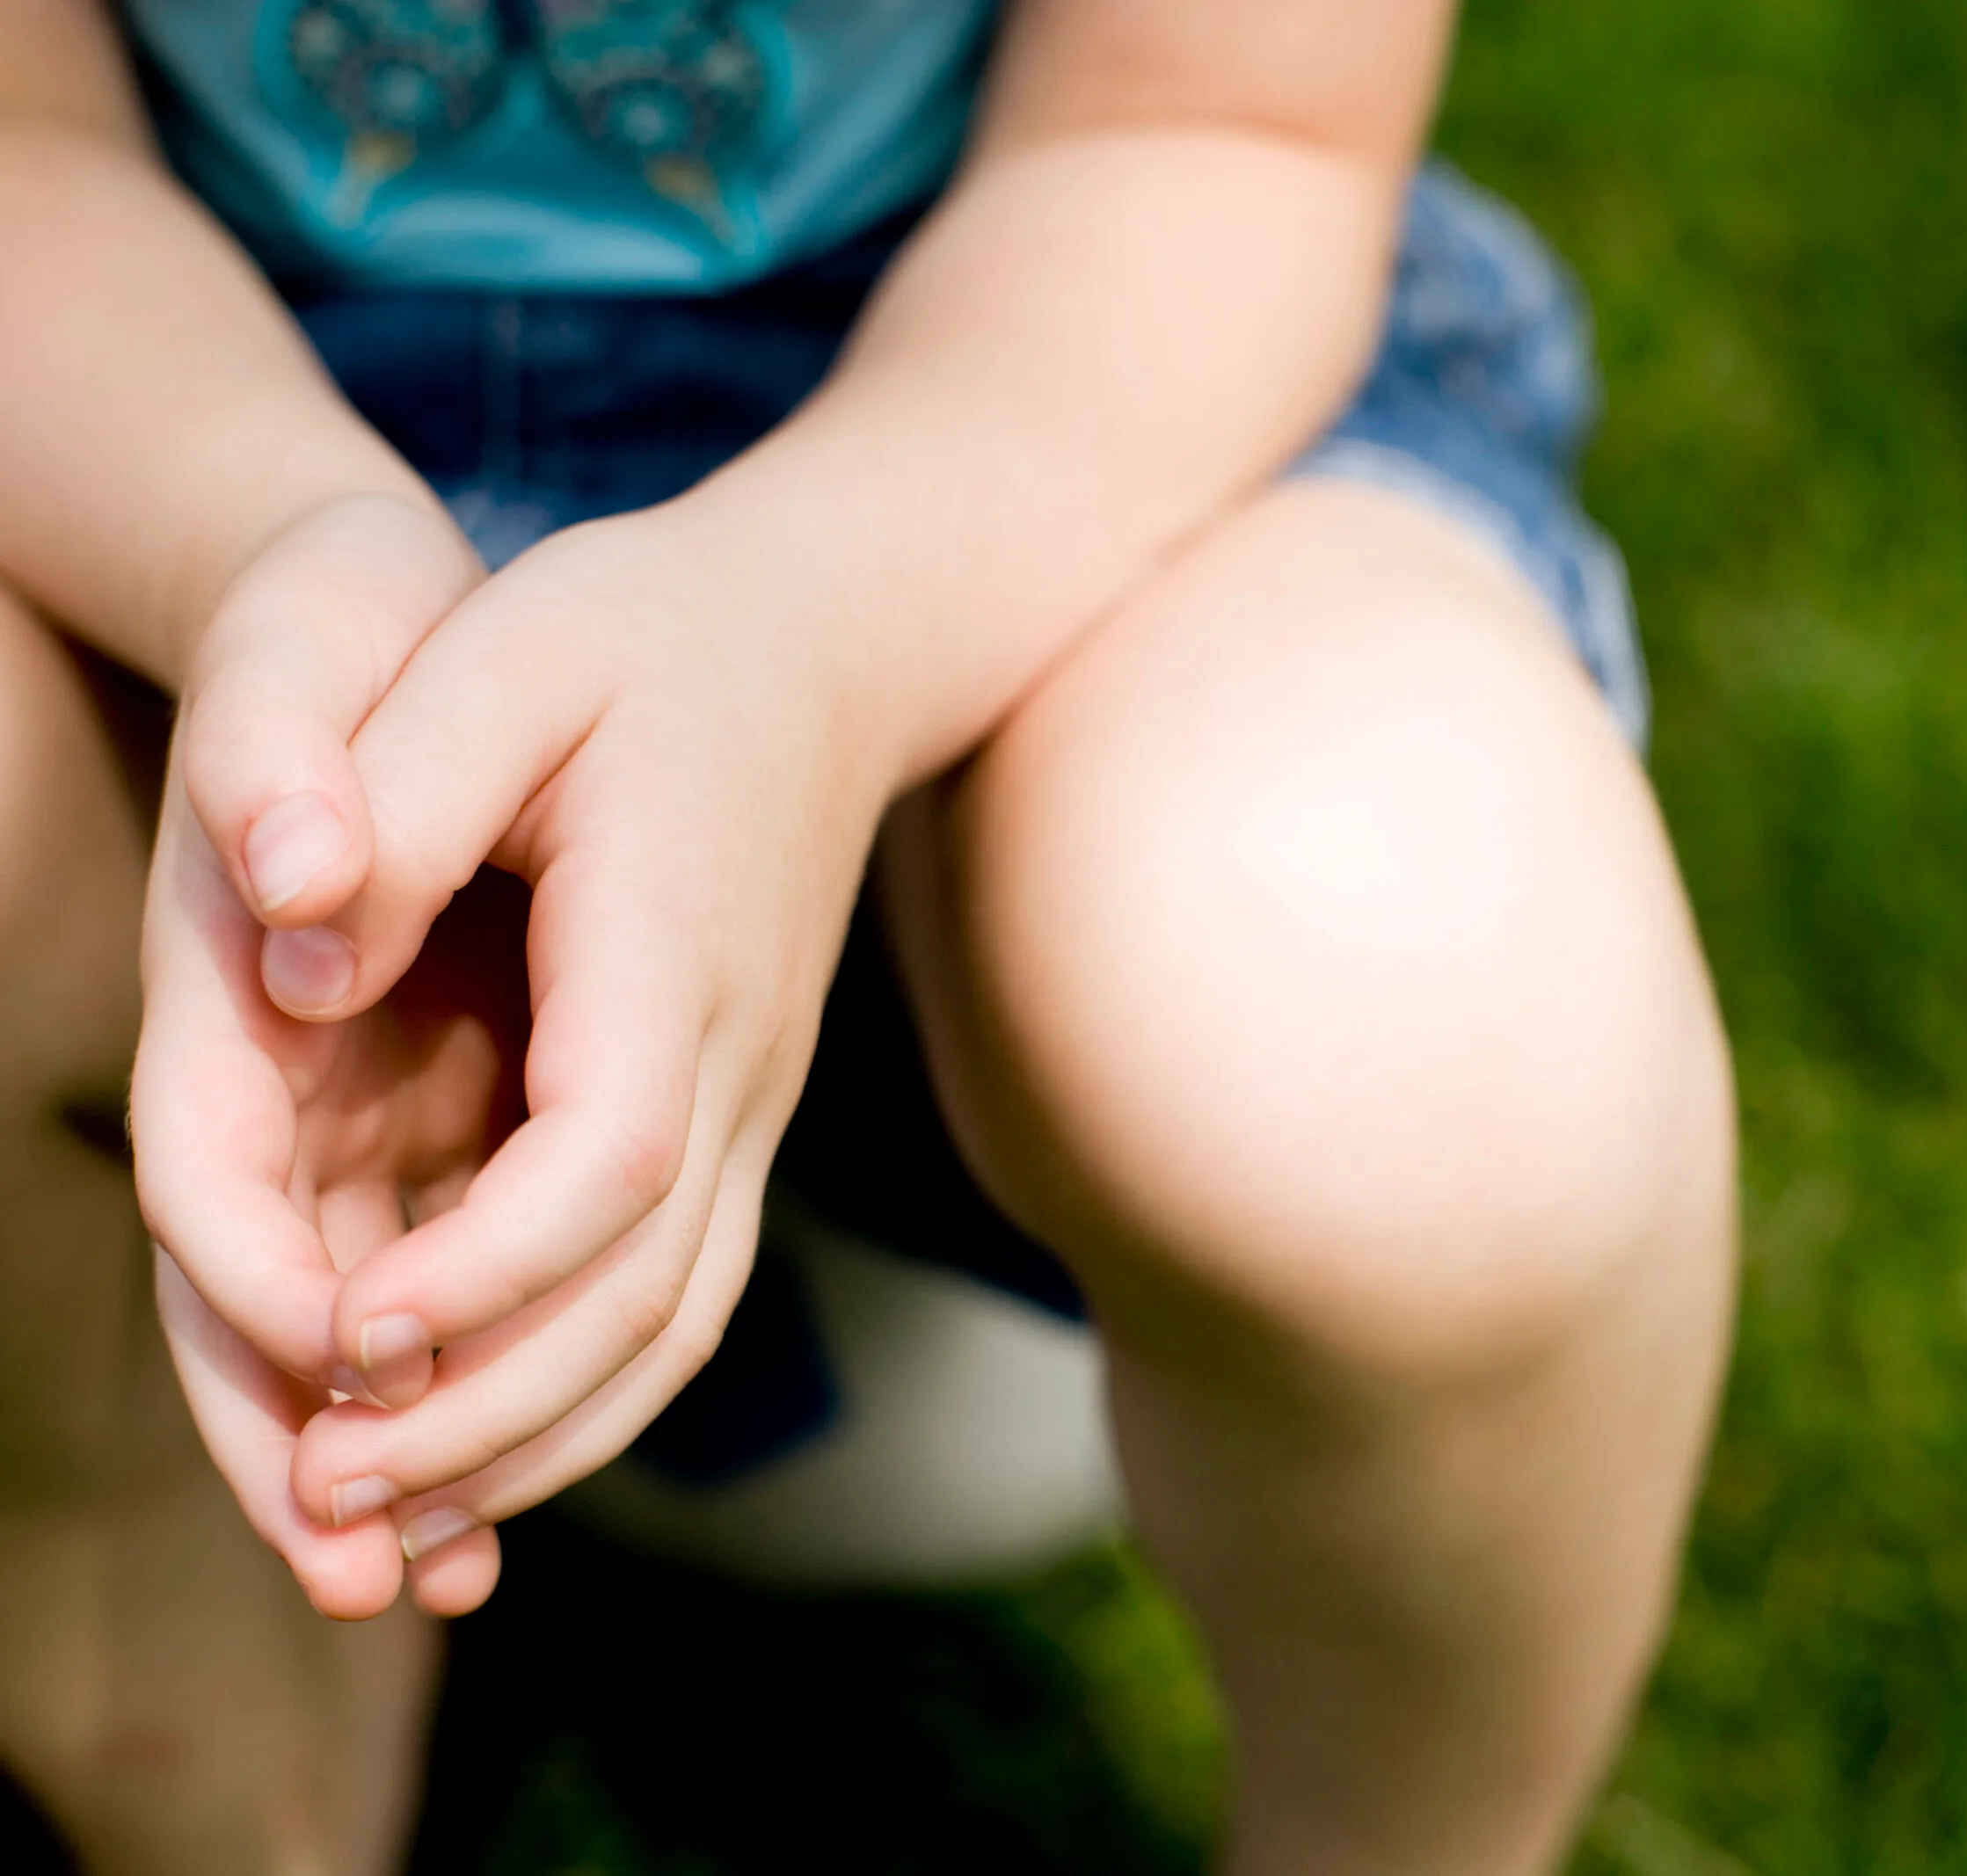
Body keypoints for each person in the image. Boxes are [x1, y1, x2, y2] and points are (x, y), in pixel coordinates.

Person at [0, 0, 1738, 1870]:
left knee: (1386, 977)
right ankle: (158, 1644)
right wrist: (258, 548)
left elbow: (1216, 127)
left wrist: (804, 633)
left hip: (1047, 364)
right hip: (150, 369)